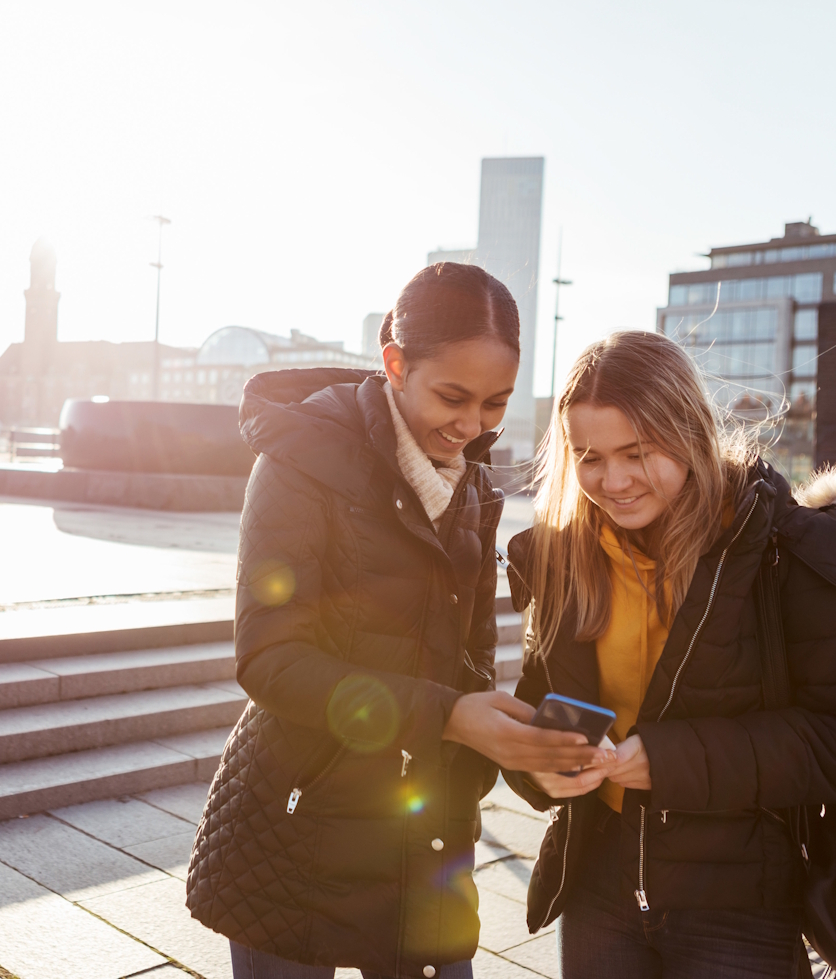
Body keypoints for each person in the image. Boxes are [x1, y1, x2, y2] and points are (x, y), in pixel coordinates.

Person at [187, 263, 609, 979]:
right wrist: (450, 716)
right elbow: (268, 659)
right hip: (295, 831)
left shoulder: (474, 490)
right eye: (453, 396)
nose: (472, 425)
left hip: (422, 837)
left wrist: (503, 738)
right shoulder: (299, 462)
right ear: (395, 364)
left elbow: (469, 667)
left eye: (496, 403)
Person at [503, 331, 836, 978]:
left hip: (739, 906)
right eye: (588, 457)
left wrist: (667, 762)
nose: (612, 480)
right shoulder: (561, 557)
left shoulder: (788, 551)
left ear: (689, 431)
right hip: (596, 890)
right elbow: (545, 704)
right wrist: (540, 766)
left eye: (637, 453)